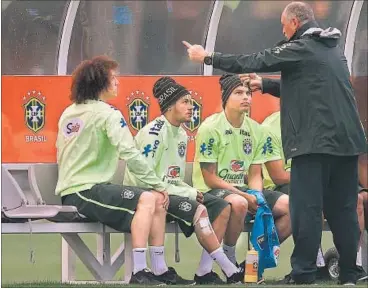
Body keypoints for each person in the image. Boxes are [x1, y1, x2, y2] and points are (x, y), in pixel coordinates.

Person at [183, 1, 367, 285]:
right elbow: (306, 89)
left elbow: (255, 60)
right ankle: (350, 273)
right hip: (347, 143)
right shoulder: (332, 48)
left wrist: (207, 57)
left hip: (315, 143)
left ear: (294, 23)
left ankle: (304, 273)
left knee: (305, 209)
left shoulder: (300, 47)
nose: (283, 30)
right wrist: (266, 85)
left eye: (284, 25)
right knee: (343, 209)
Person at [56, 55, 171, 285]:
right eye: (114, 78)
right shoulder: (107, 113)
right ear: (100, 83)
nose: (118, 82)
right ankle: (140, 272)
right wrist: (158, 183)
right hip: (84, 191)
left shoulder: (68, 113)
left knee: (157, 200)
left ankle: (159, 270)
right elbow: (129, 152)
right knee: (151, 197)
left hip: (78, 191)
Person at [246, 71, 368, 282]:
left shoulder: (321, 123)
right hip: (288, 185)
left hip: (321, 180)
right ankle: (310, 264)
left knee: (355, 200)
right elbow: (277, 176)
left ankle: (351, 263)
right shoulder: (269, 127)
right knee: (310, 201)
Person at [124, 76, 243, 284]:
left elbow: (173, 178)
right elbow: (147, 179)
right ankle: (228, 268)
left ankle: (205, 272)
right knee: (200, 210)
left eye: (191, 102)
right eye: (185, 102)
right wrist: (188, 192)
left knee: (223, 207)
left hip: (169, 192)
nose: (191, 107)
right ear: (170, 107)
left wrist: (187, 189)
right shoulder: (154, 133)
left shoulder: (181, 134)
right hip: (147, 196)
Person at [192, 73, 291, 283]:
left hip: (244, 190)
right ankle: (229, 257)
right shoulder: (210, 128)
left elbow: (255, 173)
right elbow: (209, 178)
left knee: (294, 207)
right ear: (226, 97)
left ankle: (252, 263)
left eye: (248, 92)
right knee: (238, 203)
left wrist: (256, 194)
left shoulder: (256, 130)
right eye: (238, 93)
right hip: (211, 190)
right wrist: (244, 195)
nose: (246, 97)